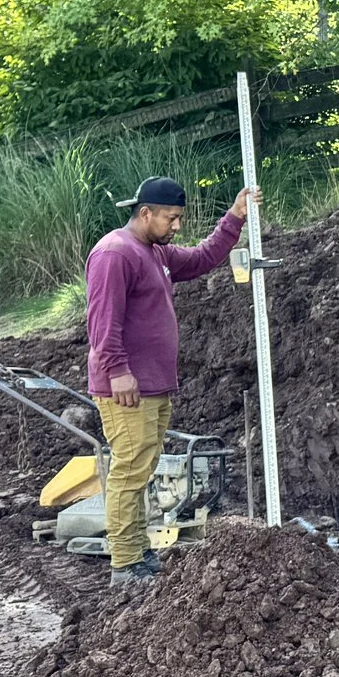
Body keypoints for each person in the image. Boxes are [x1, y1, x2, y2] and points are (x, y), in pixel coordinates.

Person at [86, 175, 253, 580]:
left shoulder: (153, 251)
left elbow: (199, 259)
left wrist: (234, 218)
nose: (176, 226)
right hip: (128, 387)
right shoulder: (115, 254)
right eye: (171, 218)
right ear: (146, 213)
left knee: (143, 467)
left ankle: (139, 553)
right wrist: (119, 372)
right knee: (129, 469)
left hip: (153, 384)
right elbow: (102, 325)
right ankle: (125, 564)